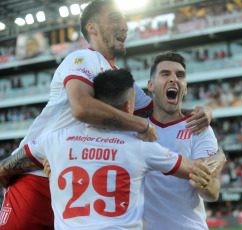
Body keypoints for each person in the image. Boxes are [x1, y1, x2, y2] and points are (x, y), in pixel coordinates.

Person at [0, 1, 212, 229]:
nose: (124, 26)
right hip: (37, 179)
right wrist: (140, 125)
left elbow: (164, 111)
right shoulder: (81, 58)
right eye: (115, 18)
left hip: (76, 184)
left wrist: (203, 113)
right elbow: (82, 108)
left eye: (124, 20)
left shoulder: (122, 82)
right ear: (93, 28)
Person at [0, 69, 221, 230]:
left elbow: (8, 166)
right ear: (128, 108)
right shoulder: (141, 148)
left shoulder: (53, 140)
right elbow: (199, 170)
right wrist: (221, 155)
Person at [143, 52, 225, 230]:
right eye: (165, 74)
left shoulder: (199, 128)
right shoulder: (136, 128)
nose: (173, 79)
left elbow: (213, 191)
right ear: (151, 85)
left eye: (180, 75)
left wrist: (205, 182)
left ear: (185, 88)